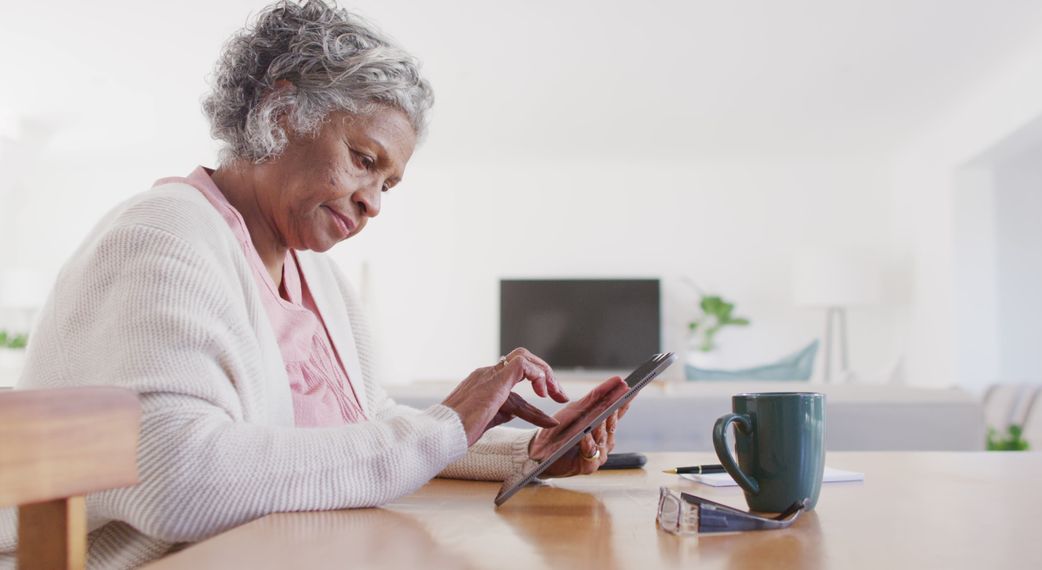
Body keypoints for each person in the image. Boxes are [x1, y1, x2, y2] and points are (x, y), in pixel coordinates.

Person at [0, 1, 631, 567]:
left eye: (388, 184)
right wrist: (443, 426)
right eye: (364, 161)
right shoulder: (164, 236)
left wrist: (527, 453)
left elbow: (364, 428)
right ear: (281, 111)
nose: (375, 203)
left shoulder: (317, 276)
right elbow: (177, 479)